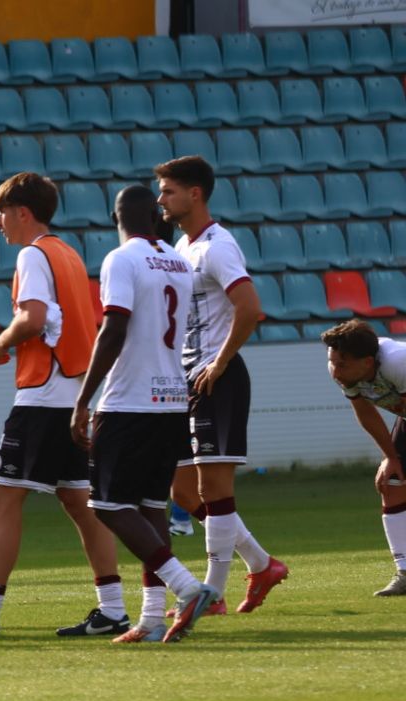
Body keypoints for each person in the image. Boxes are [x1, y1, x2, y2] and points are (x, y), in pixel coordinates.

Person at [0, 173, 127, 640]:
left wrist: (0, 342)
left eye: (1, 211)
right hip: (73, 393)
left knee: (4, 499)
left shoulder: (33, 254)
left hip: (42, 395)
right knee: (81, 502)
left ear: (23, 212)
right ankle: (113, 609)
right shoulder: (69, 254)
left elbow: (32, 318)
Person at [72, 186, 217, 644]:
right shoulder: (176, 261)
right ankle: (153, 619)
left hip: (130, 399)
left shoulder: (122, 258)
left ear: (116, 215)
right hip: (172, 397)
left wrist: (83, 399)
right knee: (153, 507)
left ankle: (187, 588)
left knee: (108, 504)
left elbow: (113, 328)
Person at [155, 155, 288, 615]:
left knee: (214, 489)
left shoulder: (218, 247)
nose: (161, 199)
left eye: (168, 190)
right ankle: (260, 562)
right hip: (189, 379)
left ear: (195, 194)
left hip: (218, 378)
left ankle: (210, 595)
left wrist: (219, 362)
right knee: (184, 493)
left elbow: (249, 309)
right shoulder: (183, 247)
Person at [321, 320, 406, 596]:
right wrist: (390, 457)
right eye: (332, 362)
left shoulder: (398, 362)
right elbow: (366, 411)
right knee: (392, 482)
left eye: (341, 365)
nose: (334, 370)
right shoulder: (346, 372)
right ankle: (405, 572)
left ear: (368, 362)